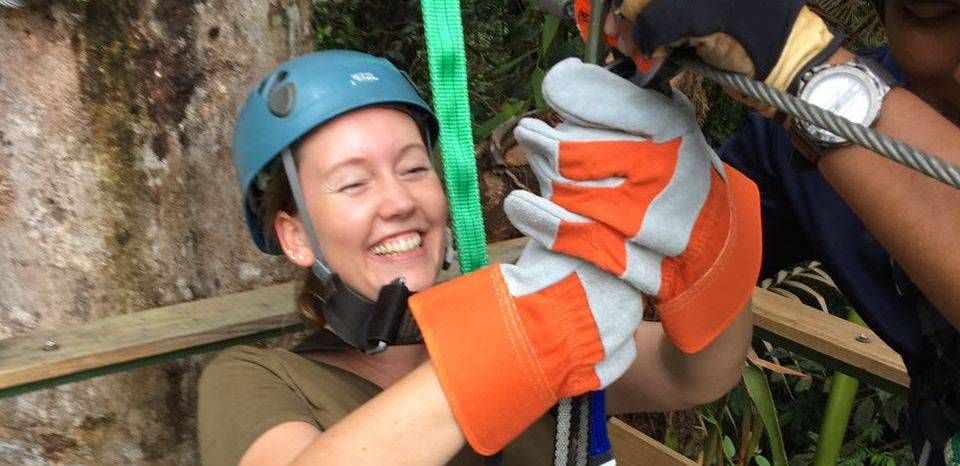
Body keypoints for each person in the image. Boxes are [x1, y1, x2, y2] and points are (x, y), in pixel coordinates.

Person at [197, 49, 763, 465]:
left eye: (414, 167)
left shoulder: (506, 301)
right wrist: (518, 339)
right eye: (352, 184)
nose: (399, 201)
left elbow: (692, 377)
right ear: (295, 237)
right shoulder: (258, 380)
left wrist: (711, 243)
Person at [600, 0, 960, 464]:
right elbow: (661, 264)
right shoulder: (790, 151)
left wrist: (804, 73)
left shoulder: (805, 97)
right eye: (932, 15)